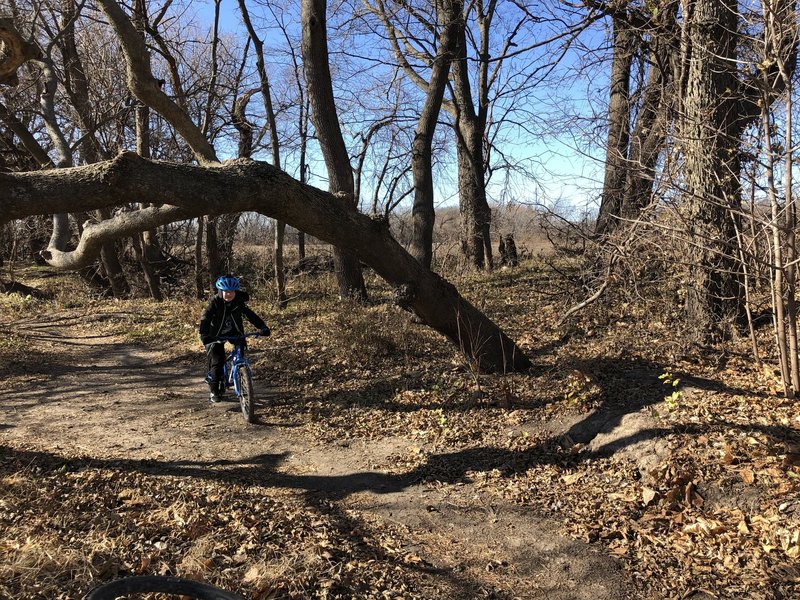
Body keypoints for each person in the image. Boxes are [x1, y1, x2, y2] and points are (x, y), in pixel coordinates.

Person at [199, 275, 270, 403]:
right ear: (221, 291)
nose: (229, 294)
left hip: (235, 333)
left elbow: (250, 315)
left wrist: (262, 327)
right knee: (218, 361)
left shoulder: (238, 302)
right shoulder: (214, 303)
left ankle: (242, 376)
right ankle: (214, 391)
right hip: (214, 335)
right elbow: (205, 318)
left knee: (241, 355)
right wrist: (204, 334)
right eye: (226, 291)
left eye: (232, 291)